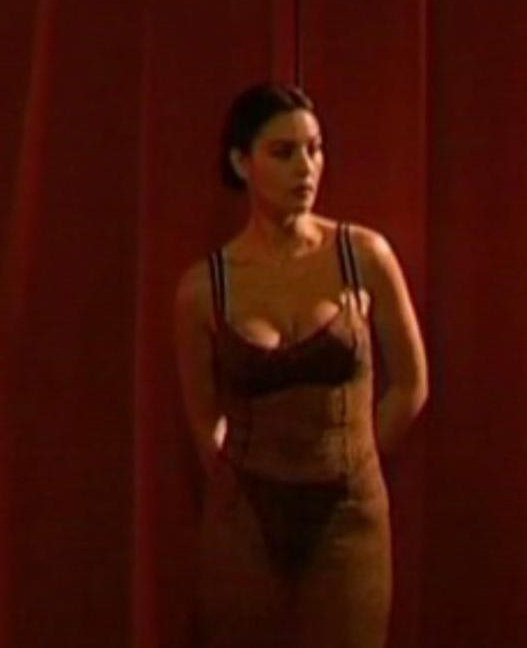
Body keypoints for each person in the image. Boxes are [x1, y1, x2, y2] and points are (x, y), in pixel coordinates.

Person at [173, 82, 428, 647]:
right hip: (246, 517)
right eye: (284, 153)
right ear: (242, 163)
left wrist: (358, 460)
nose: (305, 168)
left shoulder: (363, 256)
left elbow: (411, 384)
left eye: (314, 149)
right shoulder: (203, 289)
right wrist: (241, 483)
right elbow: (202, 416)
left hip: (348, 511)